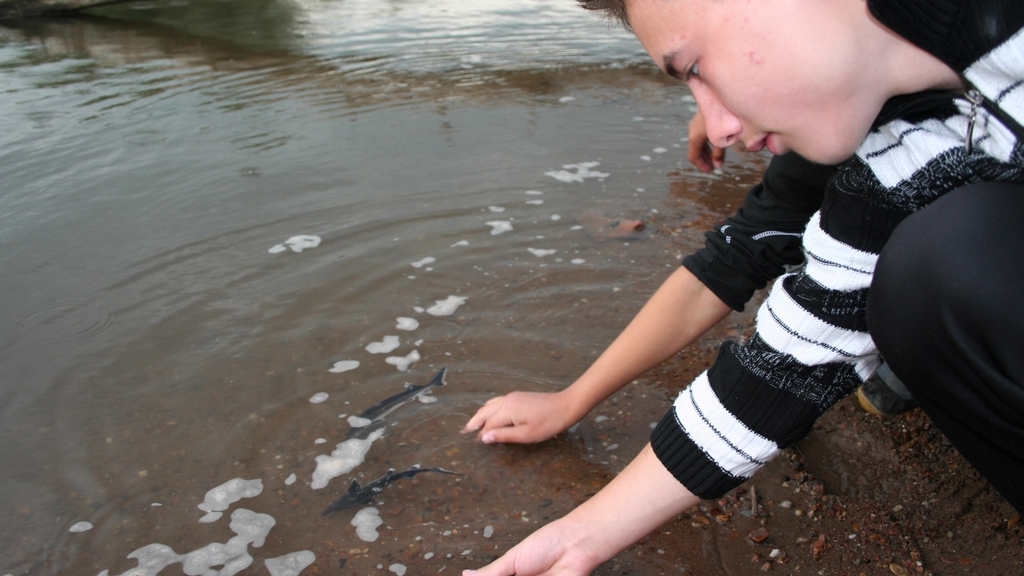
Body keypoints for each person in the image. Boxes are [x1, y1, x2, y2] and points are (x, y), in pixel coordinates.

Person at [462, 0, 1024, 574]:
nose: (721, 129)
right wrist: (577, 538)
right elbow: (788, 363)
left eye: (696, 69)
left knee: (949, 258)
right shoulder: (902, 159)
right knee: (916, 282)